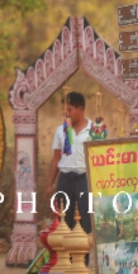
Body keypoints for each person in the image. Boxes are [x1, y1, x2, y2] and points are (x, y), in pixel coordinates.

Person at [47, 91, 92, 233]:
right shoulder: (62, 130)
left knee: (85, 217)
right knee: (64, 218)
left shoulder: (94, 131)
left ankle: (84, 255)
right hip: (65, 178)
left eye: (69, 110)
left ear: (80, 110)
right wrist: (50, 184)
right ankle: (66, 255)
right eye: (64, 110)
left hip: (84, 178)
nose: (66, 113)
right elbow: (56, 158)